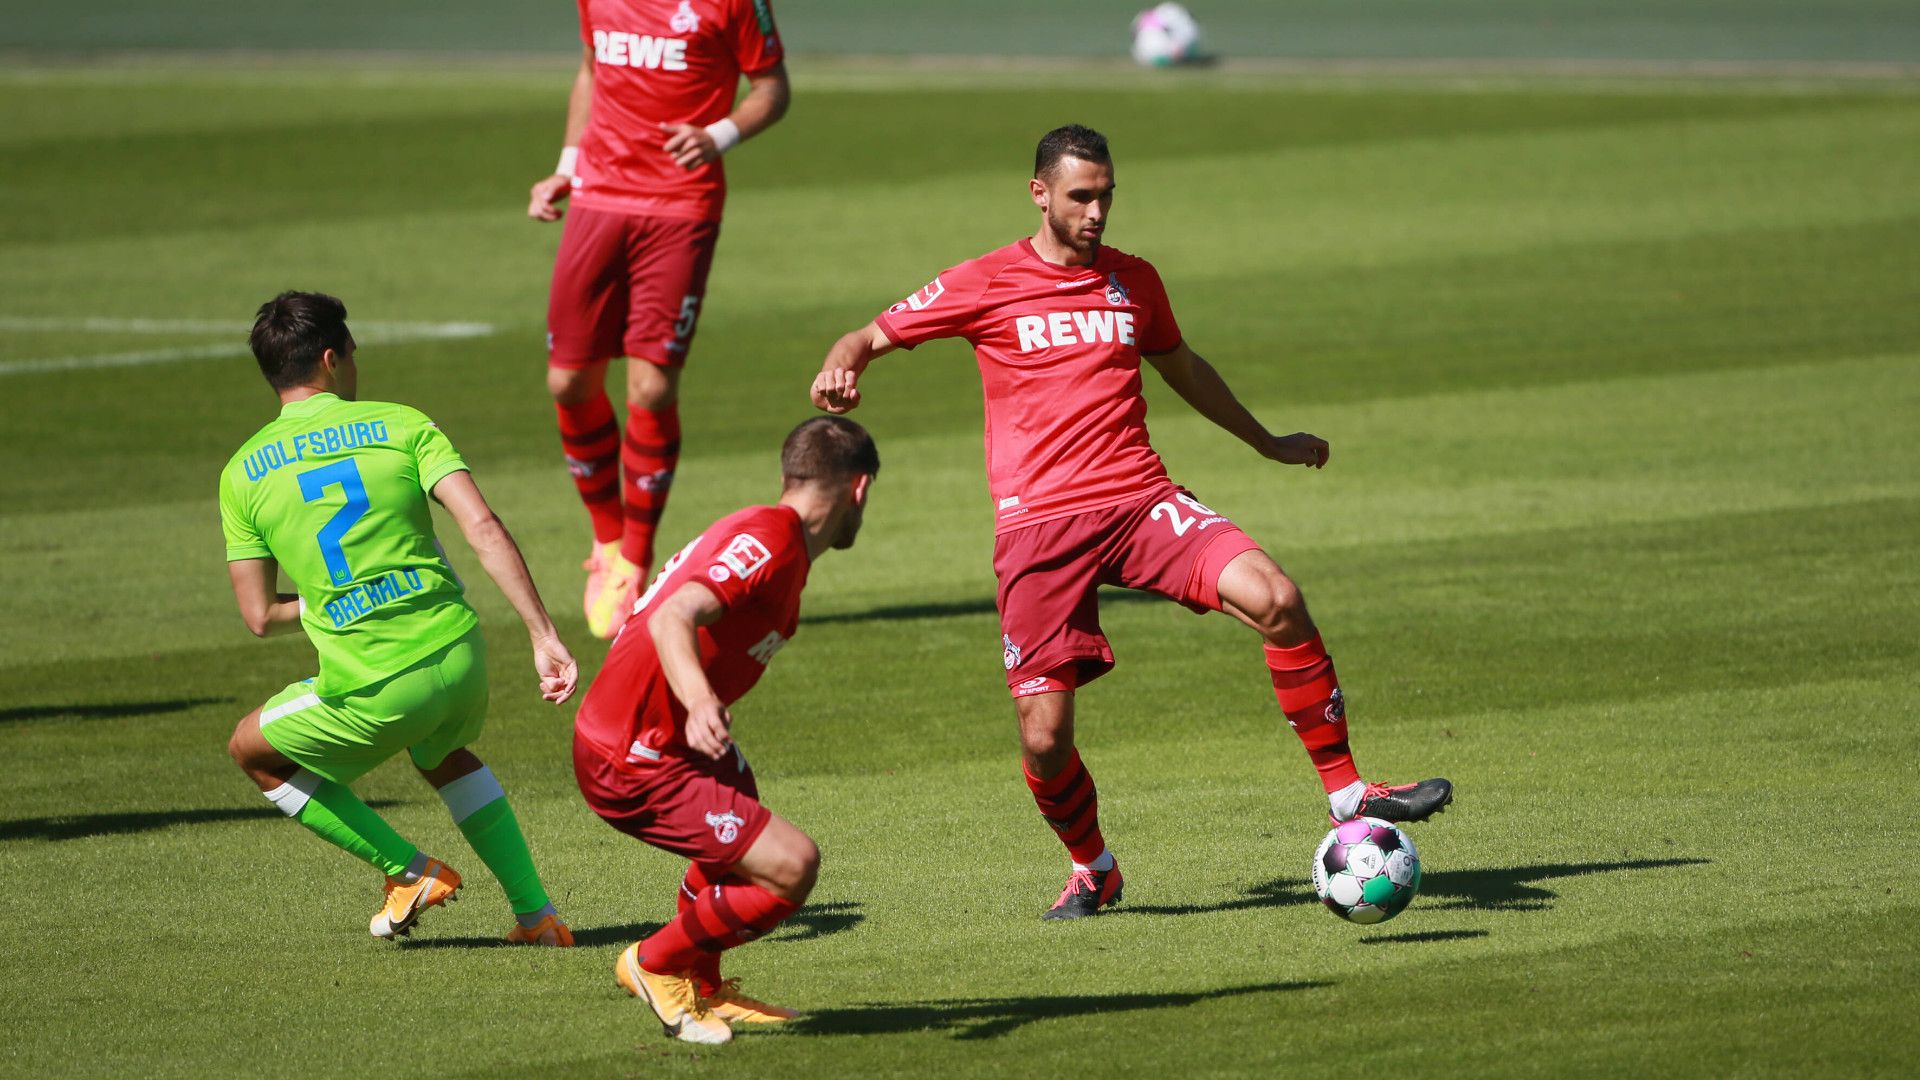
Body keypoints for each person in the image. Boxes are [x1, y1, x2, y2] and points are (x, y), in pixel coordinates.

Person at [809, 125, 1453, 921]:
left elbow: (1182, 365)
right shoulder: (985, 281)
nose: (1098, 211)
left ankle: (1349, 792)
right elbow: (868, 334)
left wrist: (1265, 441)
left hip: (1140, 500)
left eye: (1107, 195)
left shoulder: (1134, 281)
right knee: (1044, 740)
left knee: (1276, 597)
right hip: (1038, 530)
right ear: (1040, 193)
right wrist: (843, 364)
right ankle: (1094, 868)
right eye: (1082, 195)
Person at [221, 291, 580, 945]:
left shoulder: (243, 472)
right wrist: (543, 635)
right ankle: (538, 916)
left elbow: (257, 614)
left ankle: (406, 869)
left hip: (376, 684)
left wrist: (330, 597)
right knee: (442, 751)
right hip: (460, 656)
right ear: (332, 359)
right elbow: (482, 527)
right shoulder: (402, 423)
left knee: (252, 750)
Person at [572, 416, 876, 1044]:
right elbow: (673, 617)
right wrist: (701, 701)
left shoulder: (778, 538)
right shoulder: (770, 538)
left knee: (740, 838)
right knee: (791, 867)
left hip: (668, 739)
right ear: (860, 489)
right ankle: (655, 961)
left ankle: (705, 984)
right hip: (633, 753)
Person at [529, 0, 791, 639]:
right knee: (567, 382)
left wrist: (717, 135)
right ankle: (607, 540)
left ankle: (635, 562)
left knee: (651, 386)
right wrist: (566, 167)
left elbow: (773, 88)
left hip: (680, 205)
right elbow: (592, 70)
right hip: (597, 197)